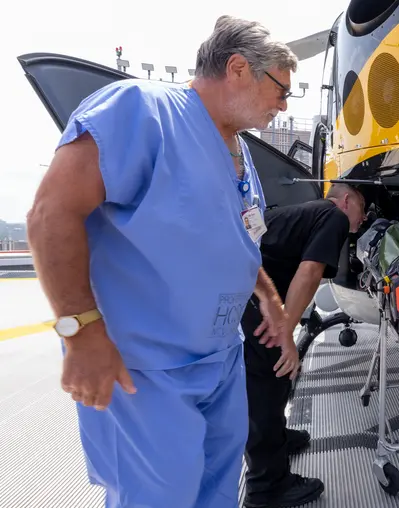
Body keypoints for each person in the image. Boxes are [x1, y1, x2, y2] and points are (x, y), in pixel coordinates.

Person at [26, 15, 298, 508]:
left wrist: (271, 301)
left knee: (216, 491)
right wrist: (81, 331)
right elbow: (50, 214)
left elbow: (237, 241)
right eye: (281, 90)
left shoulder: (239, 152)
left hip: (219, 362)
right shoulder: (139, 111)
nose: (283, 104)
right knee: (158, 497)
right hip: (145, 369)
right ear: (238, 68)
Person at [241, 183, 366, 508]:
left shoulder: (306, 213)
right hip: (252, 300)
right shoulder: (333, 216)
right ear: (347, 201)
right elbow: (309, 273)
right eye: (361, 213)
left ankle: (277, 440)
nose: (361, 221)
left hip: (250, 295)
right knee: (267, 385)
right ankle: (267, 488)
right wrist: (286, 333)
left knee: (276, 379)